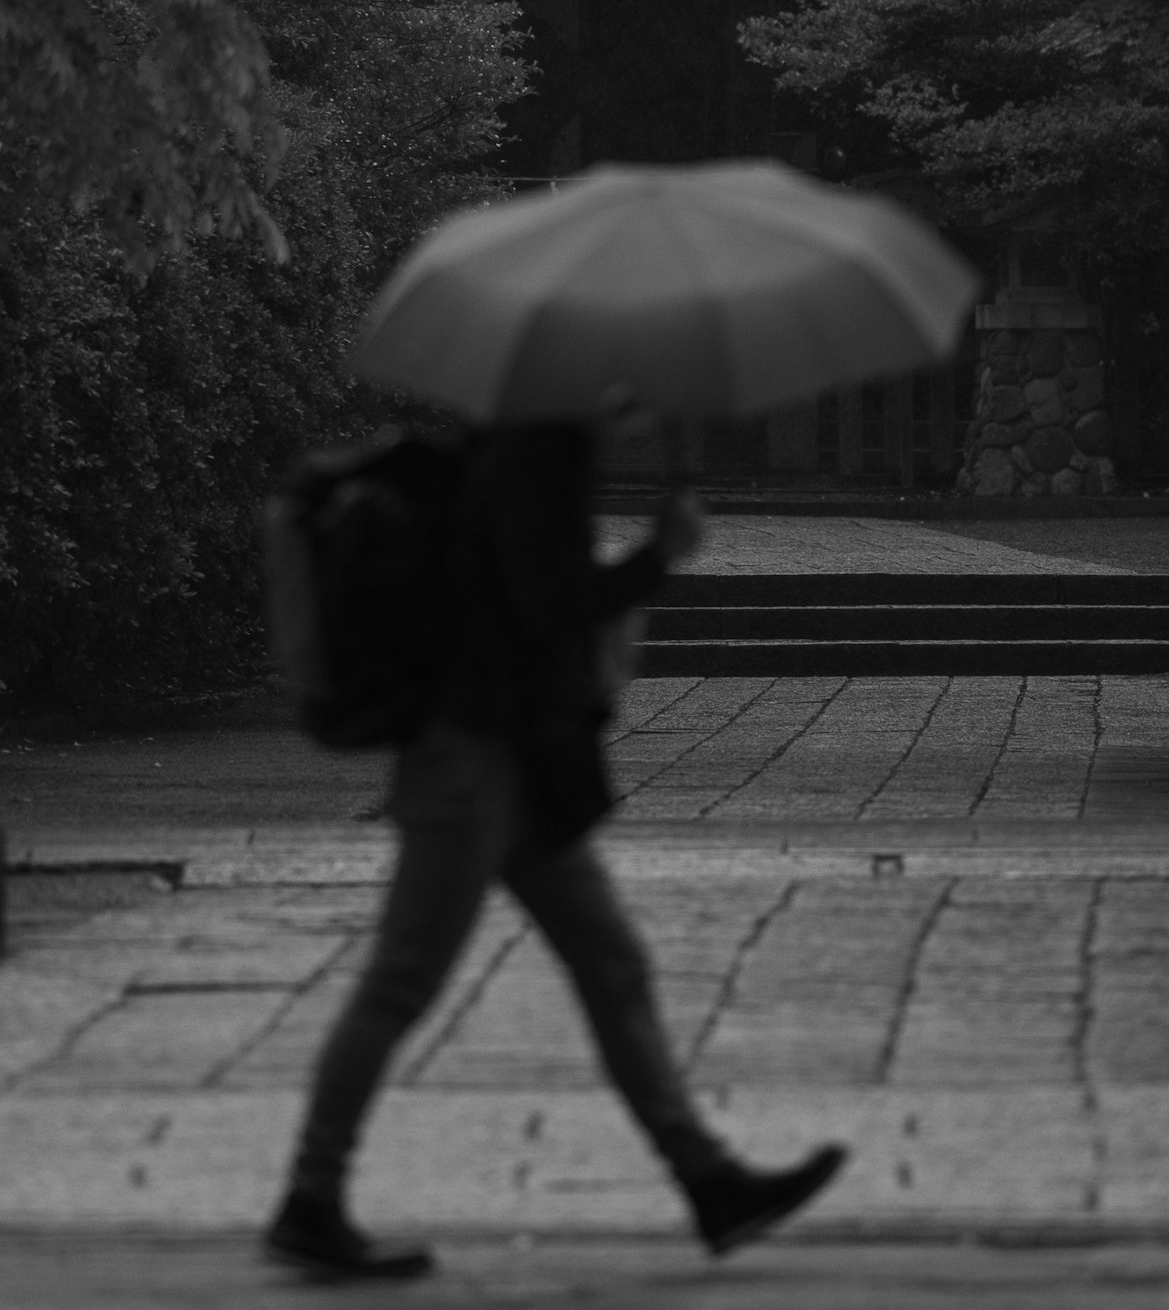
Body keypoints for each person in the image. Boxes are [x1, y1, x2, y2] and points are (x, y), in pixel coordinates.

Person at [264, 413, 848, 1281]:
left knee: (612, 964)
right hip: (472, 764)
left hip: (514, 763)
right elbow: (548, 605)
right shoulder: (533, 449)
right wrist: (660, 555)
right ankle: (311, 1199)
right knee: (401, 982)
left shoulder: (518, 439)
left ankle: (707, 1179)